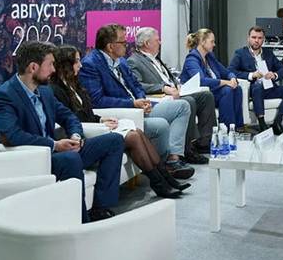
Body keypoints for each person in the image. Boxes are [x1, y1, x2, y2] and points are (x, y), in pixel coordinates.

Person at [0, 41, 125, 223]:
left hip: (58, 151)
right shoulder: (5, 95)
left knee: (114, 140)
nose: (53, 70)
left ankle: (100, 208)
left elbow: (69, 117)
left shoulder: (45, 92)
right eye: (50, 64)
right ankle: (80, 221)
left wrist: (75, 136)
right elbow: (11, 136)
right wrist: (54, 145)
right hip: (35, 157)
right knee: (70, 159)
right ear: (33, 67)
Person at [50, 45, 190, 198]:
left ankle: (165, 178)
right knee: (133, 136)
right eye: (77, 61)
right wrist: (99, 124)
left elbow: (86, 112)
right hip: (87, 133)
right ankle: (159, 183)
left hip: (96, 125)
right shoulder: (56, 90)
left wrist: (101, 119)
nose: (80, 65)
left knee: (137, 131)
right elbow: (72, 118)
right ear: (66, 64)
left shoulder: (75, 85)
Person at [78, 24, 198, 176]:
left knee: (183, 106)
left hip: (138, 106)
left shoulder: (121, 61)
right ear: (110, 46)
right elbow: (97, 100)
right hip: (123, 113)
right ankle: (164, 167)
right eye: (123, 42)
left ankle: (173, 159)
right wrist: (132, 104)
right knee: (161, 125)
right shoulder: (90, 64)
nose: (127, 45)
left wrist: (142, 100)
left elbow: (136, 85)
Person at [127, 27, 215, 160]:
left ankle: (204, 142)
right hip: (163, 97)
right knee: (189, 101)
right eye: (157, 40)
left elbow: (168, 76)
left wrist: (177, 84)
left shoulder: (156, 58)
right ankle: (187, 149)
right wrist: (163, 88)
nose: (160, 42)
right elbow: (138, 84)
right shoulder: (134, 61)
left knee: (206, 96)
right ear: (147, 43)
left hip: (176, 91)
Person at [229, 26, 283, 134]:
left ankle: (278, 121)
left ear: (263, 40)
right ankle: (262, 123)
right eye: (254, 37)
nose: (256, 40)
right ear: (248, 38)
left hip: (269, 88)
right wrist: (251, 75)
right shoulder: (240, 53)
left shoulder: (268, 53)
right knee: (258, 86)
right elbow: (231, 71)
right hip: (253, 90)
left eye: (260, 38)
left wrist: (274, 75)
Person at [180, 28, 244, 129]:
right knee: (227, 90)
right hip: (201, 95)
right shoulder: (191, 59)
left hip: (213, 92)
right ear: (202, 42)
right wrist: (225, 82)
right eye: (212, 41)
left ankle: (238, 127)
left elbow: (227, 72)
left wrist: (232, 78)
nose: (214, 44)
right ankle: (226, 129)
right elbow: (201, 81)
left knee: (237, 88)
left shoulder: (209, 57)